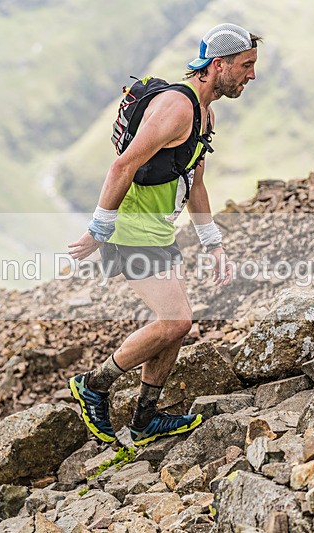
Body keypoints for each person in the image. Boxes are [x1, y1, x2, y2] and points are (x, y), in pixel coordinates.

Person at [68, 23, 261, 446]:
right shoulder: (178, 107)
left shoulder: (205, 113)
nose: (251, 75)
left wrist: (213, 244)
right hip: (132, 230)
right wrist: (98, 230)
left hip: (157, 231)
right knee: (176, 321)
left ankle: (143, 419)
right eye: (245, 66)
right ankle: (94, 385)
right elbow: (122, 166)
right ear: (218, 65)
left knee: (174, 325)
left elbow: (195, 181)